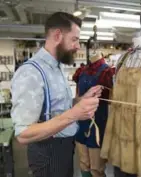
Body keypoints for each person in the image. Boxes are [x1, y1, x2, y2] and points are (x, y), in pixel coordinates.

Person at [11, 12, 102, 177]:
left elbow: (59, 108)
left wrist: (81, 100)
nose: (78, 46)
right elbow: (23, 134)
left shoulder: (57, 67)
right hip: (47, 153)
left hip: (65, 148)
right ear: (58, 36)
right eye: (74, 39)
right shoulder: (30, 73)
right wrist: (74, 115)